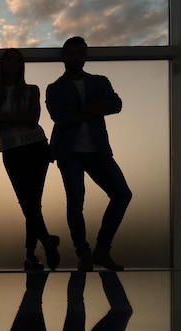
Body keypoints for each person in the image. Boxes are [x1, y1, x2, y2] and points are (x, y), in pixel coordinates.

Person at [46, 36, 131, 272]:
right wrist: (95, 109)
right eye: (72, 53)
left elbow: (116, 104)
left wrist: (81, 109)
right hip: (69, 152)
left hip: (98, 150)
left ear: (86, 55)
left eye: (80, 53)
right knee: (75, 202)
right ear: (64, 57)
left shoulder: (100, 82)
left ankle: (102, 250)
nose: (76, 57)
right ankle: (83, 253)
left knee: (122, 194)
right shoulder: (55, 88)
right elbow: (61, 117)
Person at [0, 48, 60, 272]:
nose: (13, 62)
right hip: (11, 149)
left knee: (31, 202)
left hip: (36, 147)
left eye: (18, 59)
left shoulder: (31, 90)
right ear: (2, 64)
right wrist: (15, 119)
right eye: (9, 59)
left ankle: (31, 254)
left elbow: (32, 119)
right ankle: (44, 241)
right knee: (28, 202)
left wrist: (3, 118)